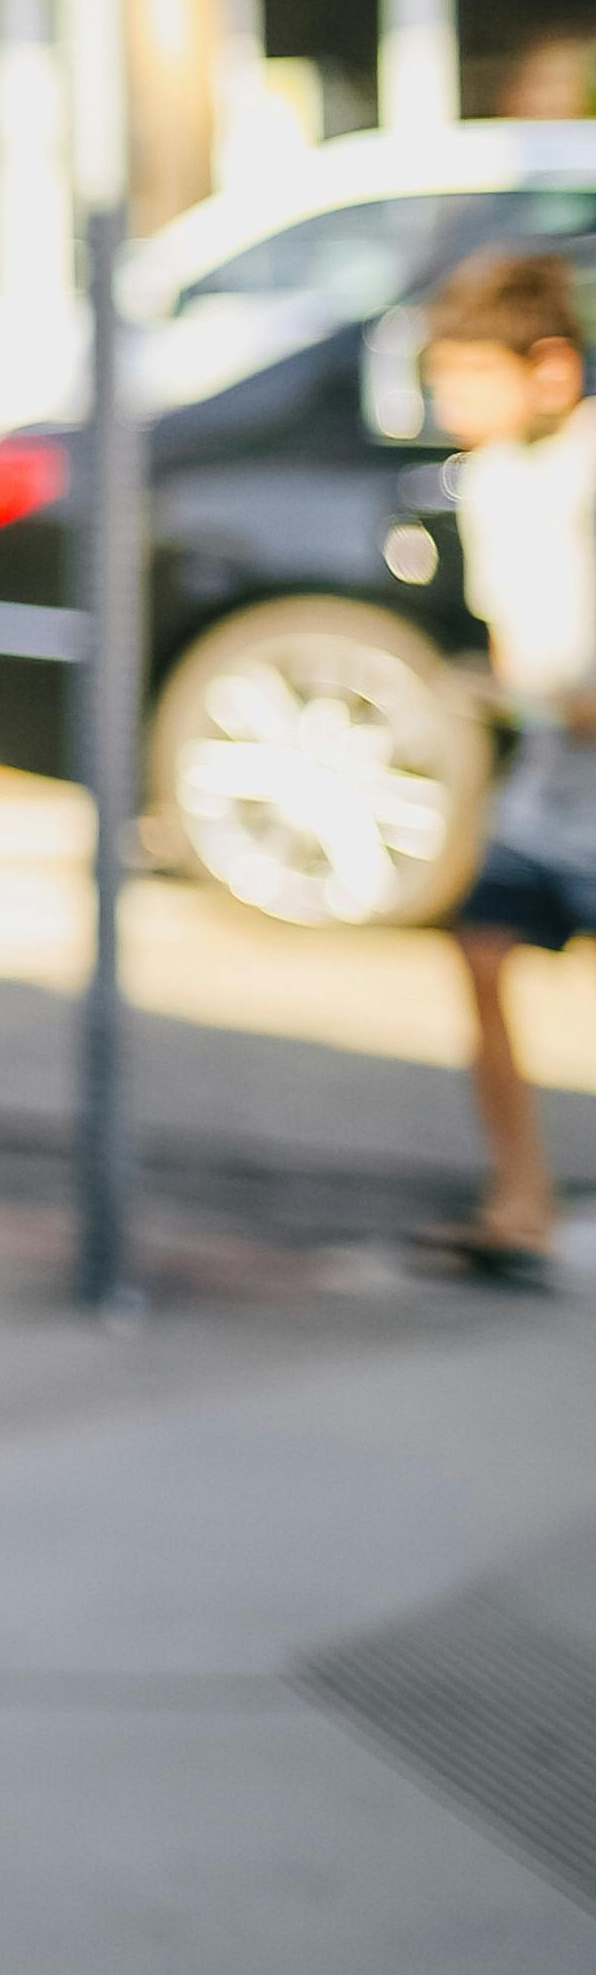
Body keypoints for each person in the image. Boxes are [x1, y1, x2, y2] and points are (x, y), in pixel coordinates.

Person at [422, 246, 587, 1288]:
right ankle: (518, 1196)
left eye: (475, 379)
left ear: (551, 372)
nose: (453, 403)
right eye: (444, 381)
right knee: (482, 951)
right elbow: (524, 650)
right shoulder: (485, 485)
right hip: (552, 789)